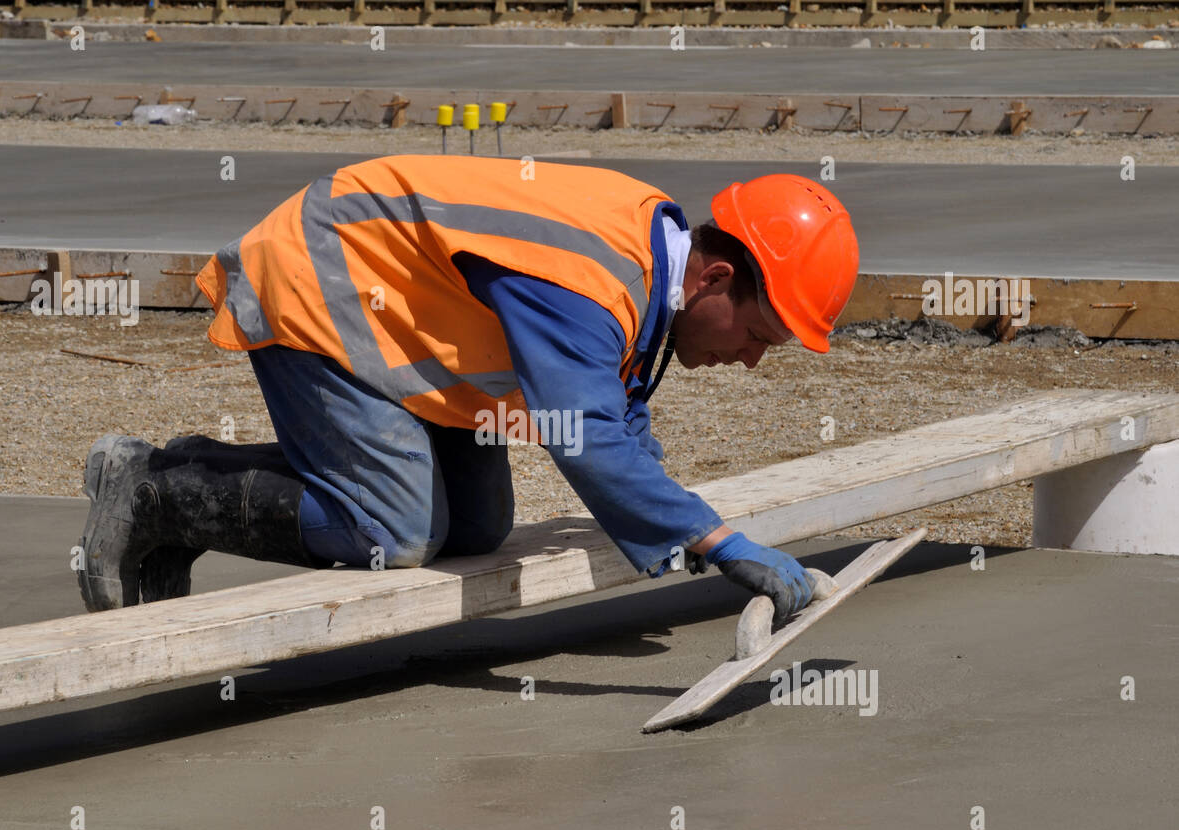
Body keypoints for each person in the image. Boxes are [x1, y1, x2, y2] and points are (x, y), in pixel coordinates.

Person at [77, 155, 859, 625]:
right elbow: (581, 430)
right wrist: (713, 539)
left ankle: (188, 467)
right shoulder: (595, 276)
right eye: (758, 336)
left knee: (480, 525)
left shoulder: (650, 260)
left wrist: (669, 514)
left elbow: (612, 402)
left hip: (406, 320)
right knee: (398, 533)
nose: (751, 360)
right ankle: (158, 492)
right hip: (325, 281)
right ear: (718, 277)